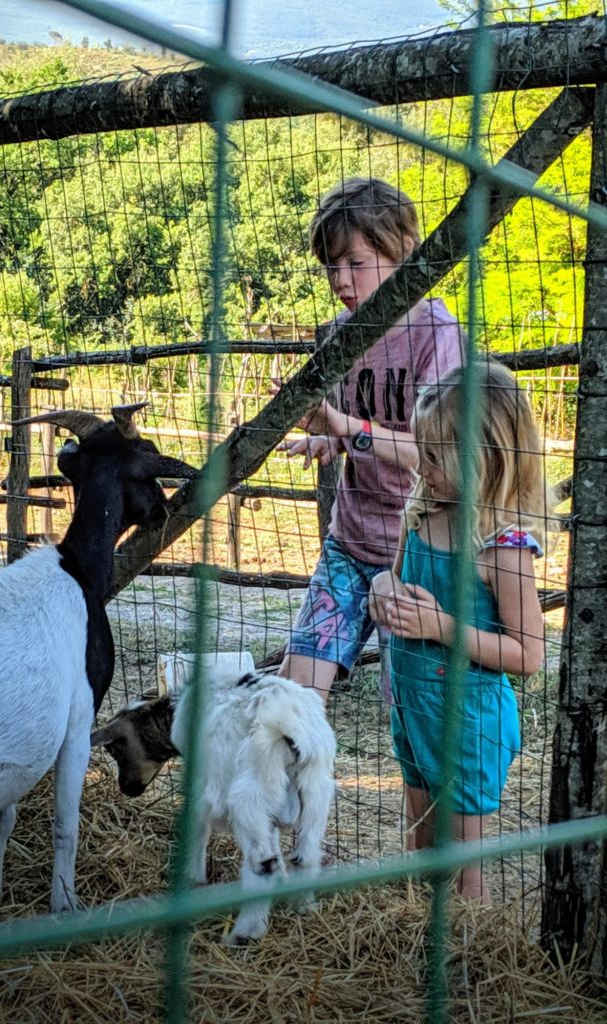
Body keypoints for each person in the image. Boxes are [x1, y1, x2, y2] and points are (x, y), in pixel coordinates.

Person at [279, 177, 464, 701]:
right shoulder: (339, 333)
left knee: (411, 709)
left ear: (401, 251)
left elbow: (436, 458)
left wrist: (348, 430)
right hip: (350, 540)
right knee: (294, 694)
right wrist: (326, 438)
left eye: (355, 263)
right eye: (330, 266)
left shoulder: (437, 334)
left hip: (418, 549)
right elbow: (354, 426)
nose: (340, 279)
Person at [369, 361, 547, 903]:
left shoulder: (502, 547)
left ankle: (469, 962)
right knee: (420, 848)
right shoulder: (420, 513)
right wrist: (381, 587)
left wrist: (441, 625)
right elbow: (393, 577)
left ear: (485, 459)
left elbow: (529, 654)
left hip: (468, 719)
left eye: (434, 456)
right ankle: (414, 945)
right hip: (413, 703)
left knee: (463, 871)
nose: (421, 465)